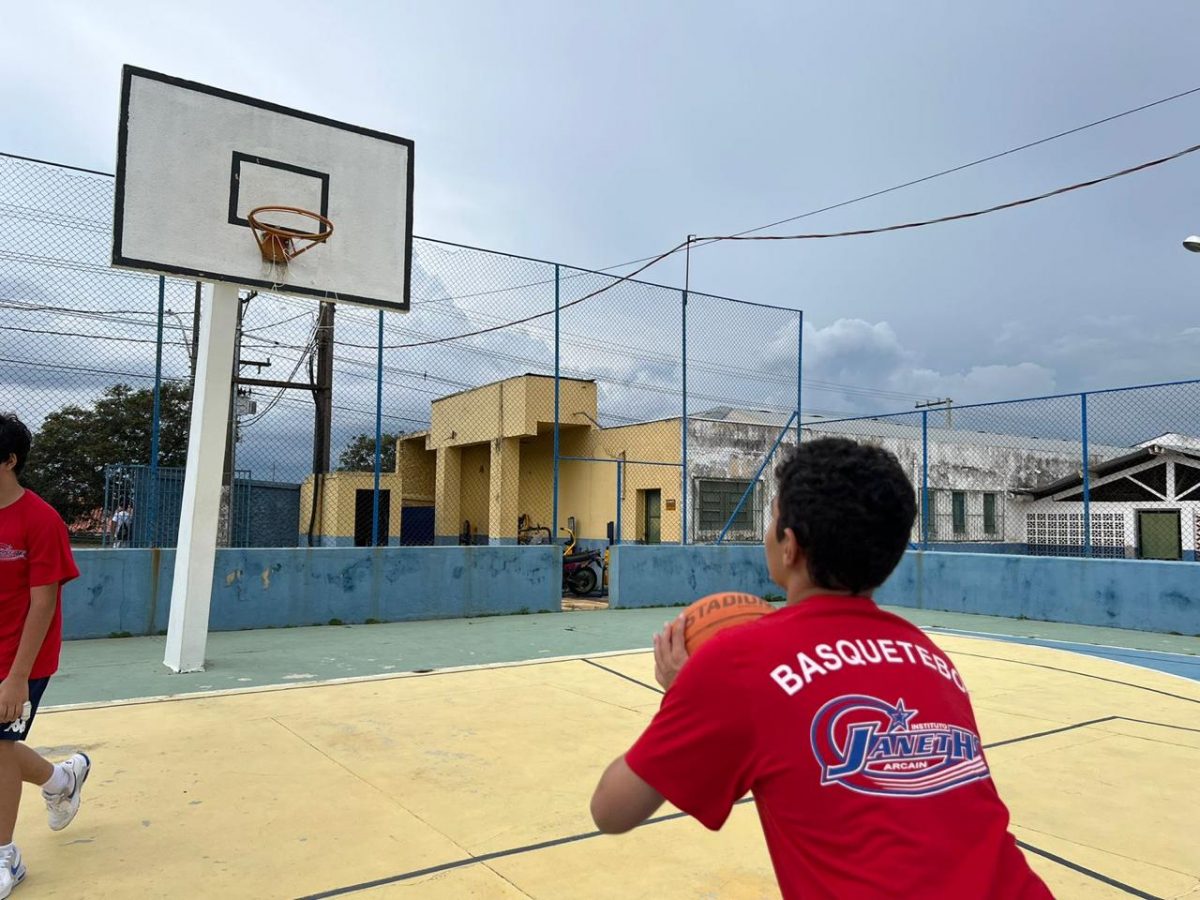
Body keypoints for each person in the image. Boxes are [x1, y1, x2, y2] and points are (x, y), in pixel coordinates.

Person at [590, 437, 1053, 899]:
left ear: (789, 546)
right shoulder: (930, 657)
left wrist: (683, 694)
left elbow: (611, 810)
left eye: (772, 516)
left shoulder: (738, 660)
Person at [0, 414, 91, 897]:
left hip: (22, 658)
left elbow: (44, 602)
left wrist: (16, 678)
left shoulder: (41, 519)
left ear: (10, 460)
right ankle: (61, 779)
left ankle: (5, 858)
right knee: (1, 746)